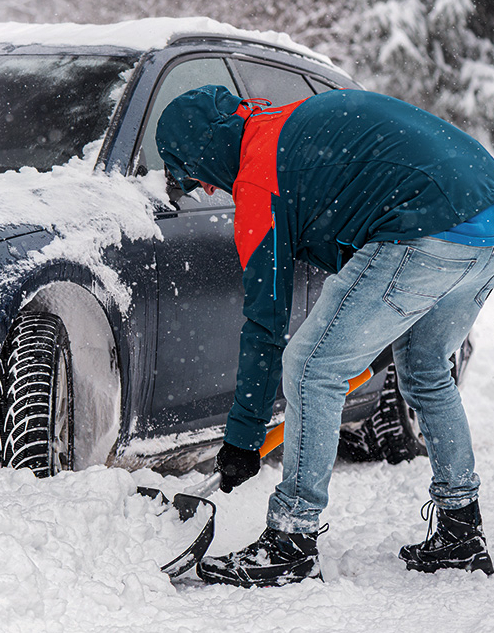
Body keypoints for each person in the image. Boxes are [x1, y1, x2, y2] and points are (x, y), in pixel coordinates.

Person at [155, 85, 494, 587]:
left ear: (202, 151)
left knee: (311, 367)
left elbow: (266, 325)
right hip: (485, 220)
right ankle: (461, 529)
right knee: (425, 368)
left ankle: (291, 540)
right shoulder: (280, 128)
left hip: (427, 224)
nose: (205, 190)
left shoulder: (258, 177)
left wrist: (243, 440)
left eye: (193, 176)